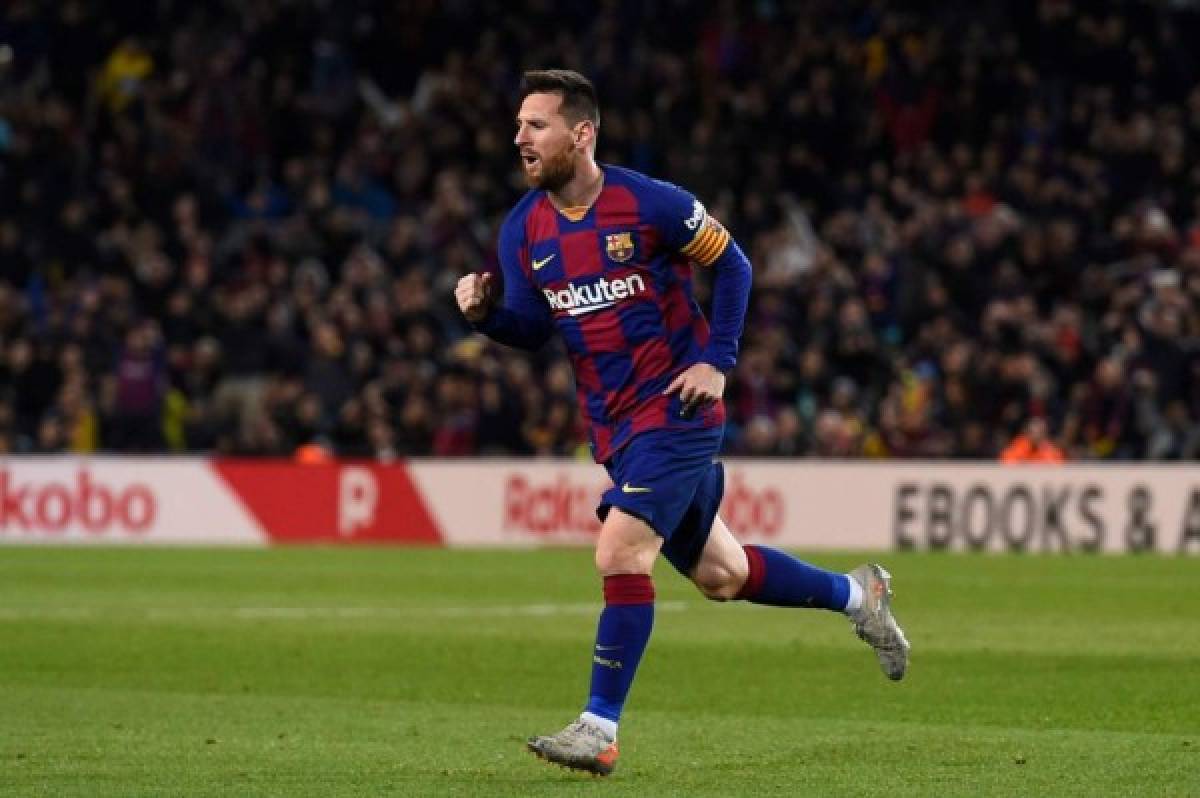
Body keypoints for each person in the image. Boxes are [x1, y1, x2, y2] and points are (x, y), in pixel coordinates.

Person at [455, 69, 910, 777]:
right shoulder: (525, 229)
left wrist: (717, 361)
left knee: (618, 554)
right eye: (517, 125)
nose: (520, 137)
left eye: (535, 124)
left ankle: (598, 727)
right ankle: (860, 596)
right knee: (723, 575)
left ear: (582, 133)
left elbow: (735, 265)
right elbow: (533, 327)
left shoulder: (650, 203)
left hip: (678, 408)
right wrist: (487, 317)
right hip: (615, 430)